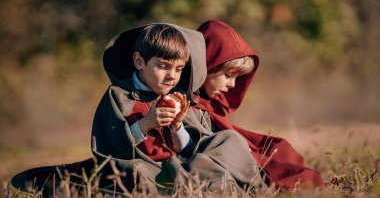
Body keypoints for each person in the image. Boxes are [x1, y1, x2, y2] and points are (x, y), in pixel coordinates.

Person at [91, 23, 263, 194]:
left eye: (179, 69)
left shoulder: (177, 95)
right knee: (142, 175)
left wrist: (177, 126)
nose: (171, 76)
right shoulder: (119, 96)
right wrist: (146, 124)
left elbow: (188, 149)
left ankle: (256, 190)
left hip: (181, 163)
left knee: (230, 140)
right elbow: (110, 146)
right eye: (163, 66)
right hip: (147, 167)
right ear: (139, 61)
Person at [194, 19, 324, 191]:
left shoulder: (211, 104)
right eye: (227, 75)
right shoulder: (185, 102)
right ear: (207, 65)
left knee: (279, 149)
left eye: (236, 78)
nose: (232, 85)